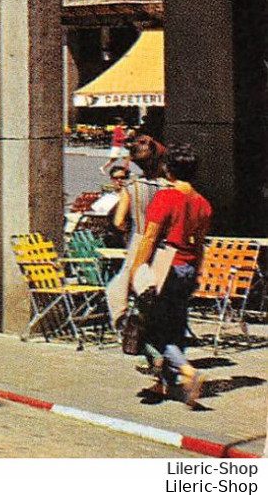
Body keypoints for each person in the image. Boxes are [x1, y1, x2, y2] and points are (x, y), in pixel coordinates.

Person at [130, 143, 211, 407]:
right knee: (176, 326)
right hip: (188, 268)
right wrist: (197, 272)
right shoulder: (202, 204)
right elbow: (199, 244)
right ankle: (164, 384)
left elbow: (150, 237)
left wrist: (136, 270)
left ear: (169, 170)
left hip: (166, 268)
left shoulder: (165, 198)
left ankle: (186, 371)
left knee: (152, 330)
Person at [107, 132, 169, 321]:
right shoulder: (169, 187)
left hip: (140, 237)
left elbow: (118, 221)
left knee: (124, 278)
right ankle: (147, 299)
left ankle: (121, 318)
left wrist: (125, 229)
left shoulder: (131, 187)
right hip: (164, 242)